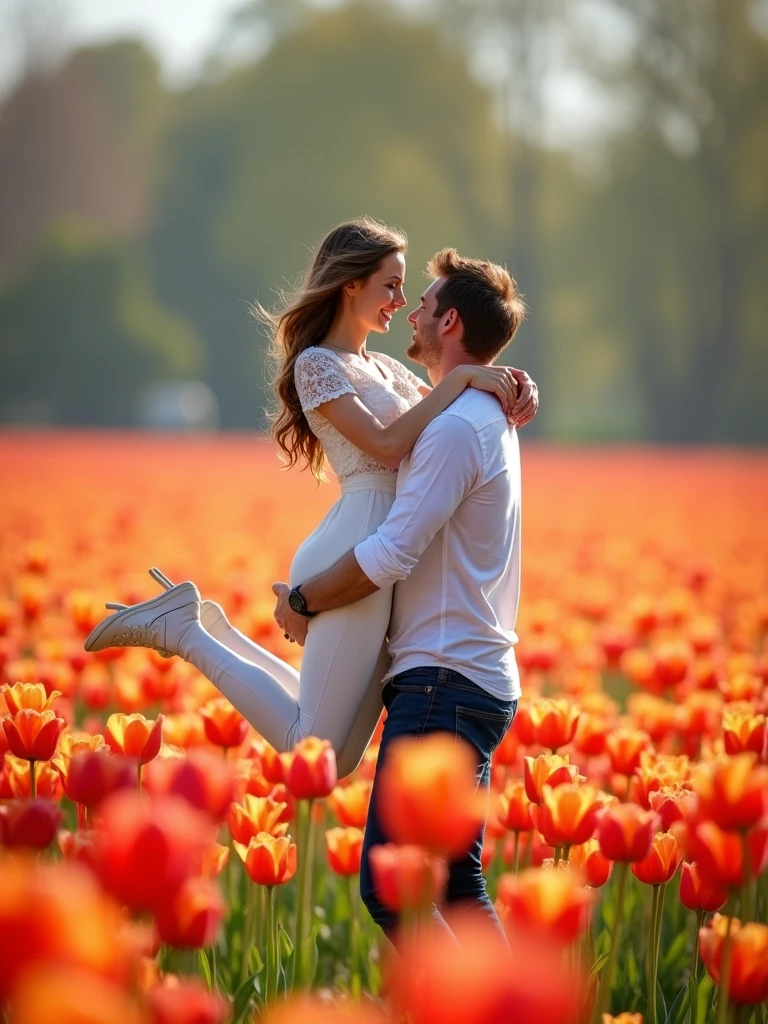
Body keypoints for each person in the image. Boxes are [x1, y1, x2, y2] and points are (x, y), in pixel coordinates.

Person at [84, 218, 536, 781]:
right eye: (390, 285)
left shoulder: (389, 368)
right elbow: (392, 446)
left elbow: (456, 404)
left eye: (404, 290)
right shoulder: (317, 365)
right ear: (351, 284)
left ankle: (216, 630)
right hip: (359, 539)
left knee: (338, 761)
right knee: (310, 750)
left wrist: (509, 379)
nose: (400, 302)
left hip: (382, 551)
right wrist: (465, 380)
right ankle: (187, 634)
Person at [270, 247, 525, 938]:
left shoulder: (452, 427)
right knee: (454, 878)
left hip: (443, 676)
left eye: (420, 300)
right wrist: (493, 380)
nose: (407, 309)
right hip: (474, 671)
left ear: (447, 324)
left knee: (394, 885)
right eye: (396, 289)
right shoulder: (481, 414)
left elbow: (390, 552)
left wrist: (304, 599)